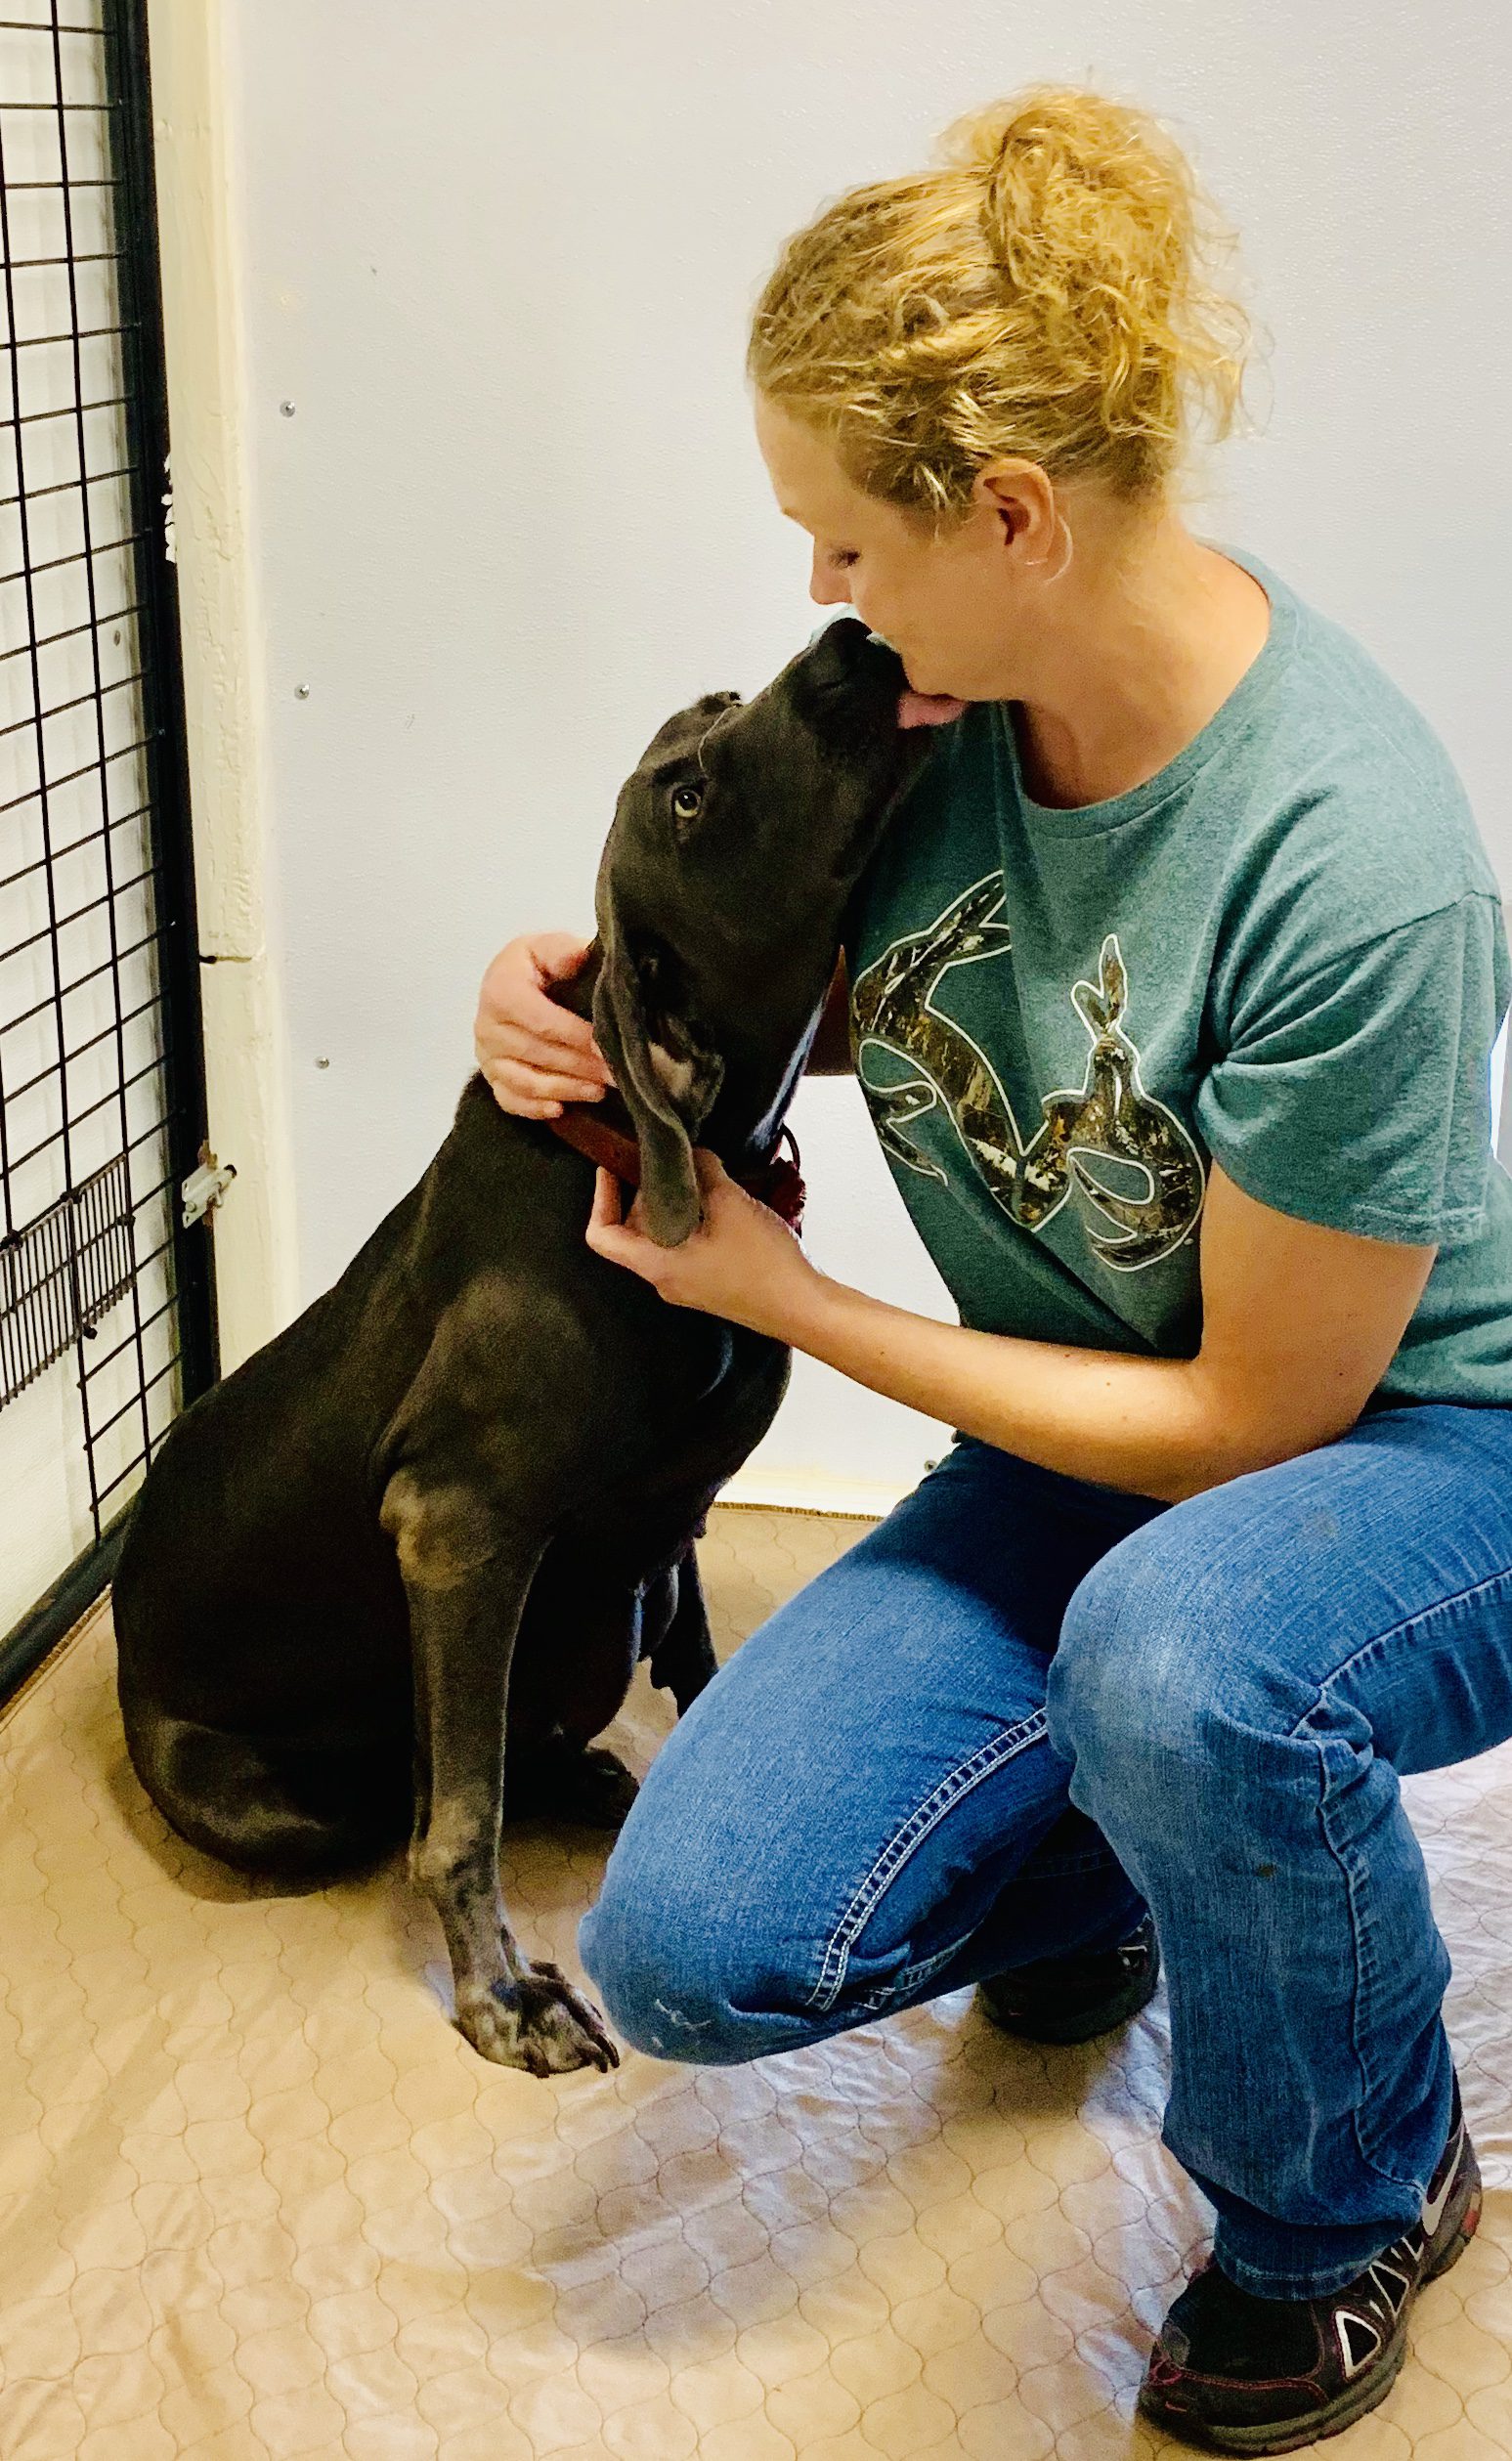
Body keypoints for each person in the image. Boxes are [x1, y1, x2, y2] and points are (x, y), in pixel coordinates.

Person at [473, 85, 1512, 2452]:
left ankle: (1350, 2188)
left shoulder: (1356, 856)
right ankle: (1127, 1878)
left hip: (1432, 1449)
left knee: (1184, 1651)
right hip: (1097, 1426)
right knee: (696, 1945)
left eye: (846, 539)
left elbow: (1264, 1423)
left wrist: (796, 1304)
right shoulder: (936, 728)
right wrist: (539, 986)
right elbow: (760, 977)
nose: (823, 594)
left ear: (1013, 517)